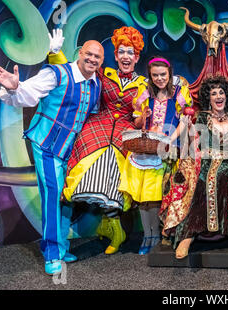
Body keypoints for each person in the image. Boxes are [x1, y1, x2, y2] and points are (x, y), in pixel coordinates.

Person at [0, 38, 104, 275]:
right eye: (89, 54)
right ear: (79, 53)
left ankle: (59, 247)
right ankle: (52, 254)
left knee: (66, 197)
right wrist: (14, 87)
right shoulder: (57, 74)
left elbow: (90, 118)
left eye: (98, 57)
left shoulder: (96, 85)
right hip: (47, 144)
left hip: (71, 152)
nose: (92, 59)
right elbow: (28, 94)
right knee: (53, 195)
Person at [50, 26, 146, 255]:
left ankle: (113, 226)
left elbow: (142, 122)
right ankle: (108, 225)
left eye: (130, 52)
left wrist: (140, 115)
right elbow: (77, 70)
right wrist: (55, 54)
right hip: (97, 126)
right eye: (121, 51)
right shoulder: (105, 73)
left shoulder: (144, 84)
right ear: (115, 55)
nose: (125, 56)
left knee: (116, 162)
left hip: (125, 130)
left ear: (137, 56)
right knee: (94, 158)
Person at [160, 75, 228, 259]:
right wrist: (188, 131)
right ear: (209, 98)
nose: (218, 96)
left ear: (227, 96)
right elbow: (192, 146)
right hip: (204, 163)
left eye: (221, 92)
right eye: (214, 93)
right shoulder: (202, 119)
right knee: (203, 180)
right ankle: (188, 235)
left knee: (226, 178)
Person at [118, 56, 193, 255]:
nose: (160, 79)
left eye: (163, 75)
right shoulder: (144, 94)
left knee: (157, 197)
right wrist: (144, 117)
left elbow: (185, 121)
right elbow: (136, 123)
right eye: (155, 75)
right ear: (150, 76)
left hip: (166, 151)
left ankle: (158, 235)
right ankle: (147, 235)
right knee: (143, 198)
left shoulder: (179, 93)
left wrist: (171, 140)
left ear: (169, 74)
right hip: (145, 149)